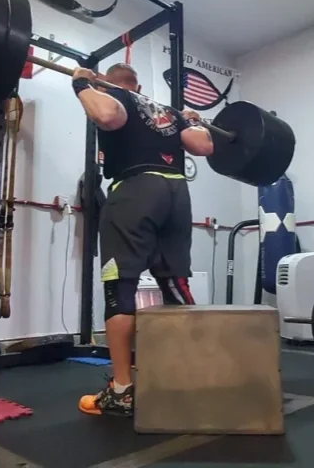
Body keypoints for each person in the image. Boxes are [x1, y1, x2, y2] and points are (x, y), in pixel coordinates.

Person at [72, 63, 215, 417]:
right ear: (137, 82)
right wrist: (192, 120)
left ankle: (121, 390)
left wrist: (80, 85)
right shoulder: (166, 111)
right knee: (175, 283)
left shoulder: (112, 95)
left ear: (110, 82)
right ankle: (188, 376)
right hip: (177, 193)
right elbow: (203, 145)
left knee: (119, 285)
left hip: (135, 190)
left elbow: (106, 115)